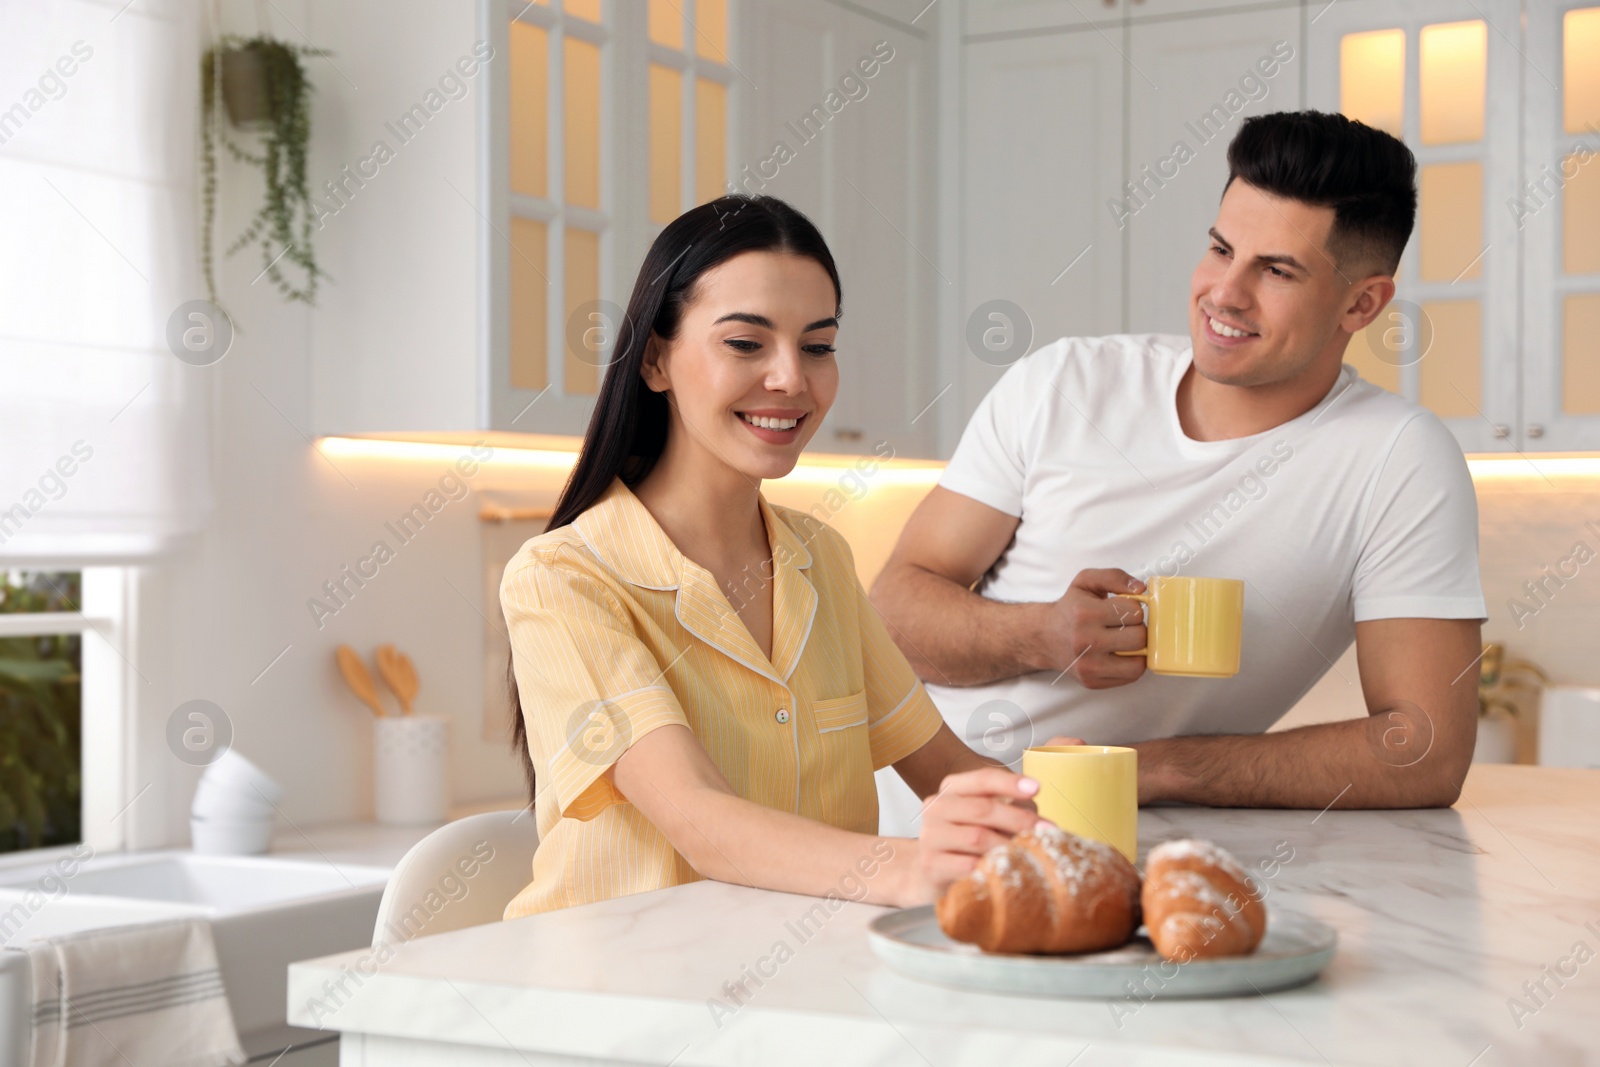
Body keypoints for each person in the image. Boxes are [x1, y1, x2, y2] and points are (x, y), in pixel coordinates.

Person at [871, 111, 1486, 830]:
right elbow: (891, 610)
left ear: (1362, 302)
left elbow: (1426, 747)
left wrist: (1155, 766)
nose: (1225, 291)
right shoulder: (1066, 382)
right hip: (900, 820)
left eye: (1276, 269)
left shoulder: (1399, 460)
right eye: (1221, 249)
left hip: (1127, 843)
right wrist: (1041, 634)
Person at [501, 196, 1053, 919]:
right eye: (745, 343)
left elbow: (947, 771)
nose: (793, 378)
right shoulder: (563, 580)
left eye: (818, 346)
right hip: (622, 1002)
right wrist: (917, 866)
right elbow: (702, 822)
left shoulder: (818, 557)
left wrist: (1037, 806)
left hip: (801, 987)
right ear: (656, 358)